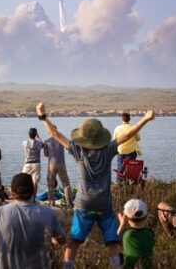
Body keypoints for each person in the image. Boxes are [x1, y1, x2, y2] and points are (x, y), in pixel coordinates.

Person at [36, 102, 155, 269]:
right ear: (101, 137)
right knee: (112, 244)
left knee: (74, 242)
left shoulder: (78, 151)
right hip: (104, 203)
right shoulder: (108, 149)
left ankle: (67, 267)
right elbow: (128, 135)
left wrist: (42, 116)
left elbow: (54, 134)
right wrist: (146, 119)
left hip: (84, 203)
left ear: (83, 137)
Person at [117, 199, 155, 268]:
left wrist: (122, 224)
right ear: (146, 216)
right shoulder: (150, 234)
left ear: (125, 217)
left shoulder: (127, 234)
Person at [44, 126, 73, 207]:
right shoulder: (61, 140)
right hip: (61, 164)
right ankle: (69, 202)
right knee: (66, 184)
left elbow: (46, 154)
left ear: (50, 131)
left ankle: (51, 203)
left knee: (50, 184)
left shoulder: (46, 141)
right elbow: (69, 147)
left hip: (51, 165)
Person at [113, 112, 141, 181]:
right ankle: (130, 183)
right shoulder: (133, 127)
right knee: (131, 169)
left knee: (120, 167)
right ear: (129, 119)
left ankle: (118, 184)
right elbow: (138, 138)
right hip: (131, 151)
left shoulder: (117, 128)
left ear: (122, 119)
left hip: (121, 150)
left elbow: (114, 140)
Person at [22, 128, 44, 194]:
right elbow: (43, 145)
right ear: (35, 135)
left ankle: (25, 195)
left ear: (29, 135)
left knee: (24, 180)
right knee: (35, 182)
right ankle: (33, 198)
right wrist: (38, 137)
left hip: (27, 164)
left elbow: (28, 141)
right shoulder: (39, 143)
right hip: (36, 164)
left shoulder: (25, 142)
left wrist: (30, 137)